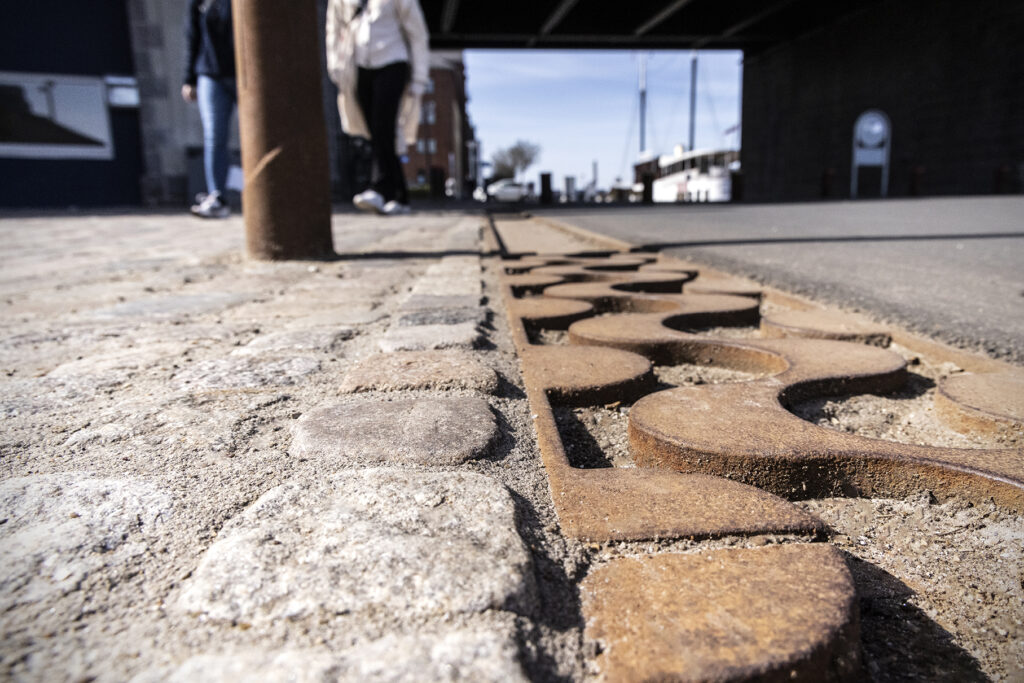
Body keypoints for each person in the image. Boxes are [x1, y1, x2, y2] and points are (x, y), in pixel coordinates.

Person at [326, 0, 429, 216]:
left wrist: (420, 79)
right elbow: (333, 30)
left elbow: (418, 34)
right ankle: (399, 196)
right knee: (377, 132)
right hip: (360, 66)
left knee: (384, 125)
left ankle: (380, 188)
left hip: (393, 61)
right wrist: (335, 66)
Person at [182, 0, 236, 219]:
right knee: (214, 136)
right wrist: (189, 79)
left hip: (244, 70)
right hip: (210, 73)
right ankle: (218, 197)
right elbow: (192, 36)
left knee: (259, 132)